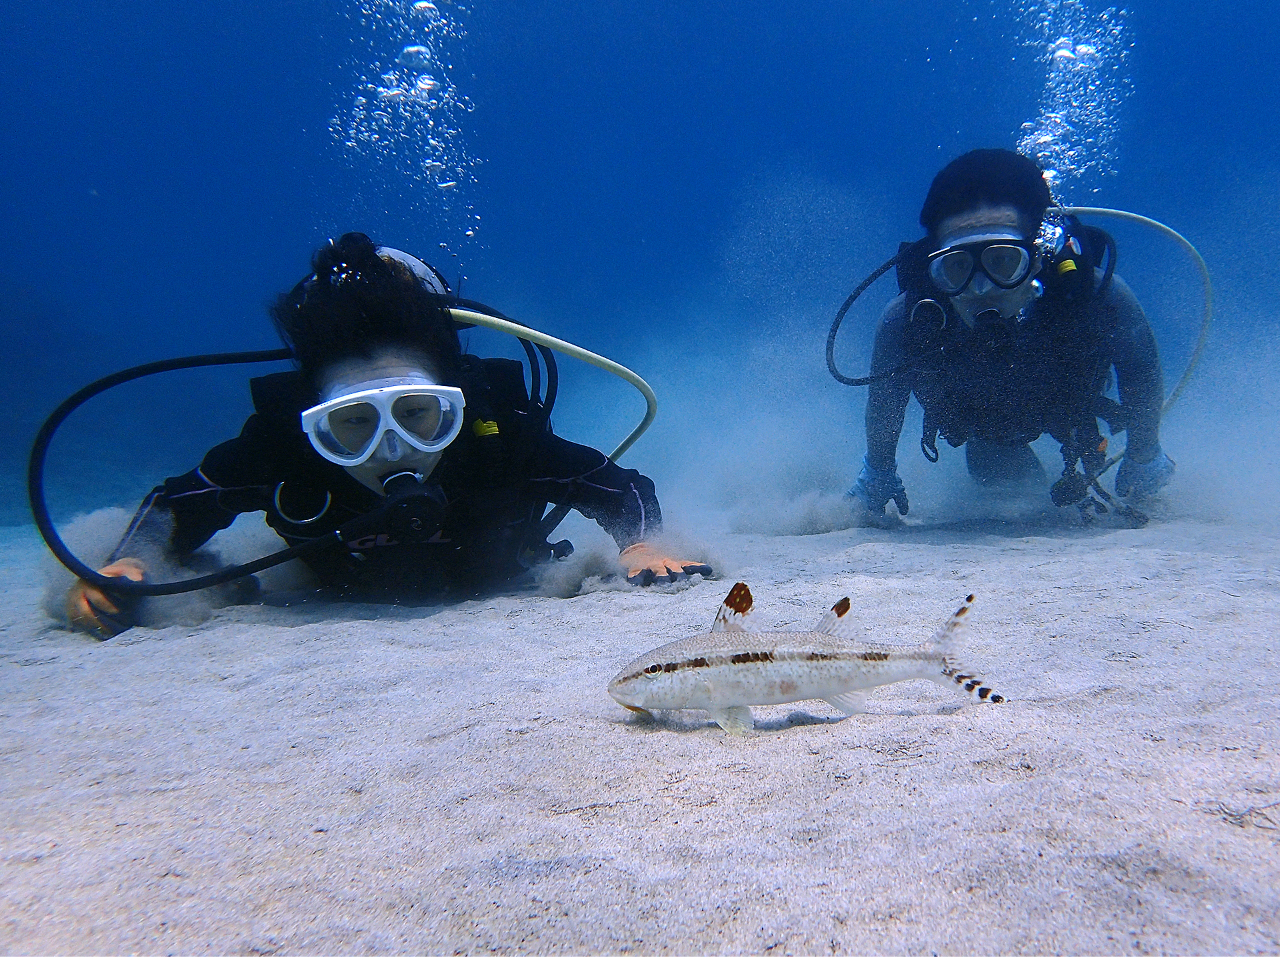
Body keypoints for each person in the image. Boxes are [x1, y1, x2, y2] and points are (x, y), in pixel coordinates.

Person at [67, 233, 710, 638]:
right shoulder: (280, 445)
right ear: (312, 419)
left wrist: (642, 545)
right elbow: (175, 506)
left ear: (455, 403)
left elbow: (619, 487)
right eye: (352, 424)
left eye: (418, 414)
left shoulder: (496, 434)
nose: (394, 449)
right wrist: (128, 562)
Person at [849, 148, 1175, 524]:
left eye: (1003, 261)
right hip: (982, 429)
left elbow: (1141, 373)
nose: (983, 288)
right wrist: (878, 470)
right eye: (957, 268)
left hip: (1068, 415)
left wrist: (1144, 454)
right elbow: (886, 400)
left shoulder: (1102, 298)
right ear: (936, 269)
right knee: (1000, 481)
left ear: (1036, 257)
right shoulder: (905, 320)